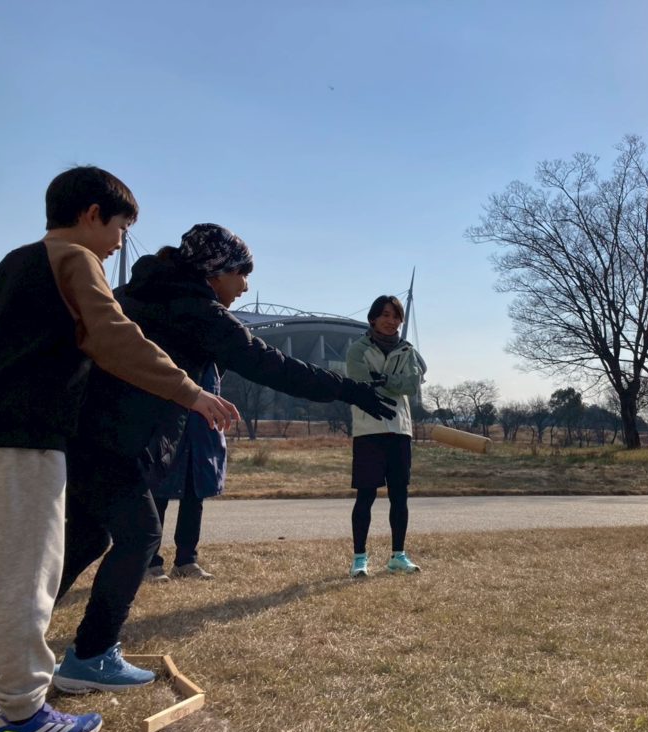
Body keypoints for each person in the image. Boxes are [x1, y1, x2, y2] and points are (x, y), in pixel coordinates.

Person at [52, 224, 395, 695]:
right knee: (140, 534)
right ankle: (90, 655)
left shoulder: (137, 293)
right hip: (121, 439)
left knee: (86, 538)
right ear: (215, 273)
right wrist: (350, 390)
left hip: (84, 431)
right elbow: (273, 365)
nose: (246, 286)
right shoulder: (198, 311)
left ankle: (12, 635)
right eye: (241, 274)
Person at [0, 167, 238, 732]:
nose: (121, 242)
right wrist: (191, 392)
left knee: (3, 569)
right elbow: (115, 337)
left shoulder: (10, 264)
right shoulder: (75, 259)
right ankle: (20, 716)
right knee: (29, 574)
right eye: (121, 227)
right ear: (92, 215)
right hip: (28, 439)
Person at [346, 295, 427, 578]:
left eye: (396, 316)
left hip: (400, 430)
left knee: (400, 496)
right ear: (373, 318)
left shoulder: (407, 350)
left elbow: (412, 385)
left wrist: (383, 379)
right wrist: (393, 381)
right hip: (368, 430)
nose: (391, 321)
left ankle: (398, 556)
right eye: (385, 315)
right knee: (366, 495)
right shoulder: (357, 349)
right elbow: (360, 380)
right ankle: (359, 558)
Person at [145, 362, 226, 582]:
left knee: (194, 495)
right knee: (157, 496)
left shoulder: (212, 360)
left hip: (200, 435)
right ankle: (149, 562)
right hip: (167, 432)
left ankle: (186, 560)